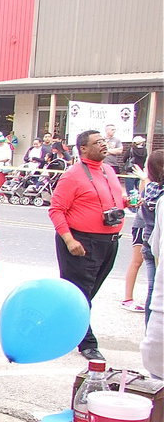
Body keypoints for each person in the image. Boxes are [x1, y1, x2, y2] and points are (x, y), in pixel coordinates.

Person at [48, 129, 129, 361]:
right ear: (83, 148)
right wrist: (69, 239)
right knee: (80, 296)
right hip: (82, 243)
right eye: (97, 142)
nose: (104, 144)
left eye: (104, 141)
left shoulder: (108, 170)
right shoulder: (73, 175)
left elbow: (107, 199)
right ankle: (87, 343)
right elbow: (56, 210)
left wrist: (125, 202)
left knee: (87, 294)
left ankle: (63, 325)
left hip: (108, 242)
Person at [136, 149, 163, 326]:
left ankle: (149, 329)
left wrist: (143, 178)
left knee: (153, 289)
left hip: (148, 241)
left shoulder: (150, 189)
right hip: (158, 244)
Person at [102, 124, 126, 192]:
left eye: (114, 129)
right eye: (112, 130)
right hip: (102, 164)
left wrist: (107, 151)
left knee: (114, 183)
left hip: (113, 164)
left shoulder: (117, 140)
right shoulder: (102, 140)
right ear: (107, 130)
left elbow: (119, 150)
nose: (114, 131)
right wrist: (112, 151)